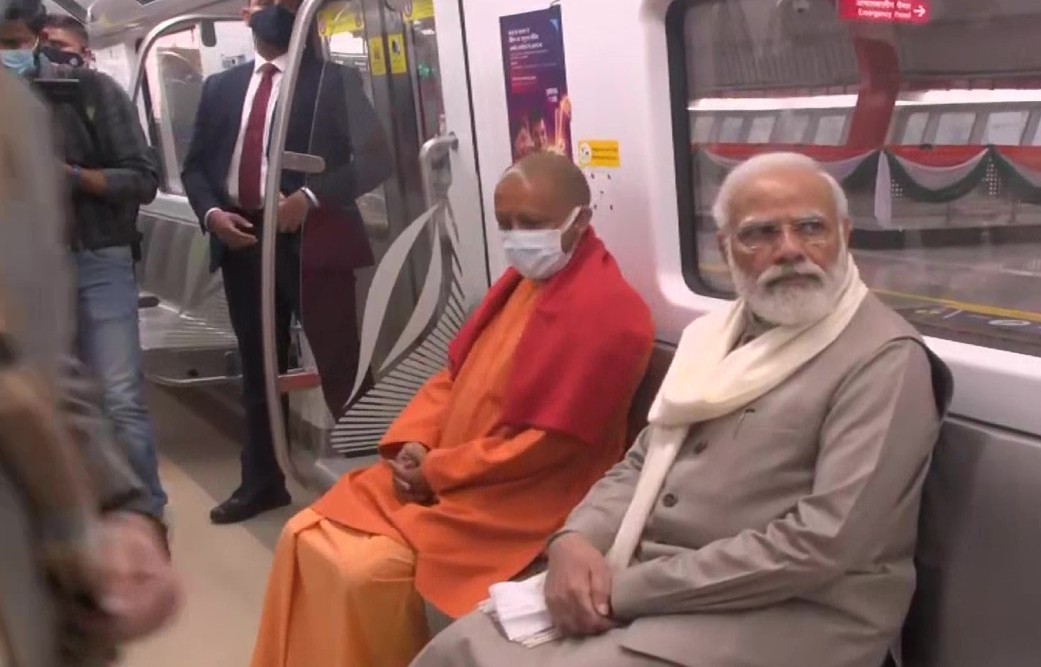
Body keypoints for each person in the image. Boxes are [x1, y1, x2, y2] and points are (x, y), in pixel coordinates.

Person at [412, 153, 953, 667]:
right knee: (459, 647)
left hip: (793, 611)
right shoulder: (713, 338)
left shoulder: (882, 359)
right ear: (725, 248)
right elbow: (640, 462)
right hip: (660, 587)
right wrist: (574, 541)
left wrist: (626, 590)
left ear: (845, 236)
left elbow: (823, 543)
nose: (790, 249)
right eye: (760, 233)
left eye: (812, 228)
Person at [248, 153, 655, 667]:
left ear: (581, 220)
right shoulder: (521, 285)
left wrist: (437, 472)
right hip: (450, 473)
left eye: (531, 223)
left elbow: (546, 448)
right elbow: (453, 377)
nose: (516, 237)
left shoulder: (610, 314)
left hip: (520, 498)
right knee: (302, 532)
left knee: (361, 572)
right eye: (505, 223)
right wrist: (416, 444)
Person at [182, 0, 392, 524]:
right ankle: (262, 481)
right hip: (243, 239)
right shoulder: (221, 88)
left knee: (342, 363)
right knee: (258, 365)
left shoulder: (331, 82)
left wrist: (311, 198)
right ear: (244, 14)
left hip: (312, 239)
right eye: (262, 1)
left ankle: (377, 483)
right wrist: (212, 214)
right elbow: (196, 168)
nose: (271, 8)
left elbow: (376, 159)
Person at [0, 62, 179, 666]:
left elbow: (34, 361)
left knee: (121, 393)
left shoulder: (20, 112)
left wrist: (115, 507)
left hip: (31, 568)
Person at [1, 0, 168, 520]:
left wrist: (70, 176)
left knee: (118, 398)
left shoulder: (90, 92)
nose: (7, 55)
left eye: (14, 44)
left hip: (97, 258)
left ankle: (144, 517)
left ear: (37, 40)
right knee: (42, 396)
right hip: (21, 274)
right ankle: (78, 518)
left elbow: (142, 178)